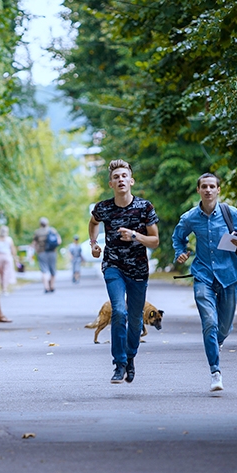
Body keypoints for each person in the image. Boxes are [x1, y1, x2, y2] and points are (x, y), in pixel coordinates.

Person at [172, 172, 237, 393]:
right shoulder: (190, 217)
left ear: (218, 190)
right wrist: (181, 252)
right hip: (203, 274)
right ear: (198, 190)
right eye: (203, 186)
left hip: (229, 275)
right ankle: (215, 371)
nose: (207, 190)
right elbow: (178, 237)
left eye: (211, 186)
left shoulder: (230, 213)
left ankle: (219, 341)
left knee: (223, 327)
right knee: (209, 323)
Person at [88, 159, 159, 383]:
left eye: (124, 176)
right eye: (116, 177)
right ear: (111, 183)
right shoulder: (103, 207)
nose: (120, 180)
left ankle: (130, 358)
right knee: (119, 311)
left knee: (136, 319)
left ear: (131, 181)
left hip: (138, 269)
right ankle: (118, 364)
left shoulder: (144, 207)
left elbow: (155, 240)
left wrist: (135, 236)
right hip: (113, 266)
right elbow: (93, 222)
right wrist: (93, 243)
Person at [33, 217, 61, 293]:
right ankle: (52, 286)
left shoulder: (37, 232)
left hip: (41, 252)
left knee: (44, 270)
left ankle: (46, 287)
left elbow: (34, 244)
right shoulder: (52, 230)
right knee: (53, 269)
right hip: (52, 252)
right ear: (47, 223)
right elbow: (59, 241)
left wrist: (37, 251)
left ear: (40, 224)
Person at [0, 225, 18, 294]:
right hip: (7, 257)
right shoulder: (9, 239)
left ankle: (3, 287)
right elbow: (12, 249)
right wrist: (15, 257)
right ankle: (5, 289)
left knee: (1, 273)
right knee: (6, 272)